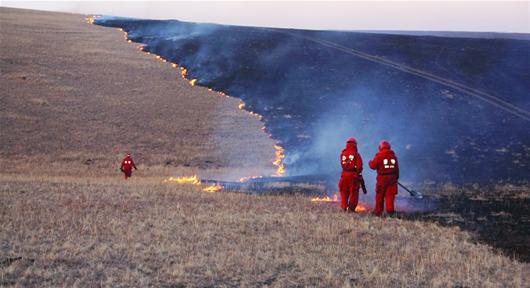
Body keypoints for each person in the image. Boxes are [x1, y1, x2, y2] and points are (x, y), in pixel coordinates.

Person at [369, 140, 399, 216]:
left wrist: (370, 162)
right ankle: (390, 212)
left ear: (380, 147)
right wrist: (395, 178)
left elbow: (373, 166)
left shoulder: (379, 156)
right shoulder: (394, 157)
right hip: (392, 179)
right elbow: (396, 169)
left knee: (380, 196)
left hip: (382, 179)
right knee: (390, 196)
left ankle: (378, 212)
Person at [338, 137, 363, 212]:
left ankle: (343, 206)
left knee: (344, 192)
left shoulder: (342, 154)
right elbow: (359, 166)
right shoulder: (356, 154)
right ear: (355, 145)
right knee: (354, 193)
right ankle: (351, 209)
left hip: (344, 175)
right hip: (353, 176)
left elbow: (342, 165)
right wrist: (358, 173)